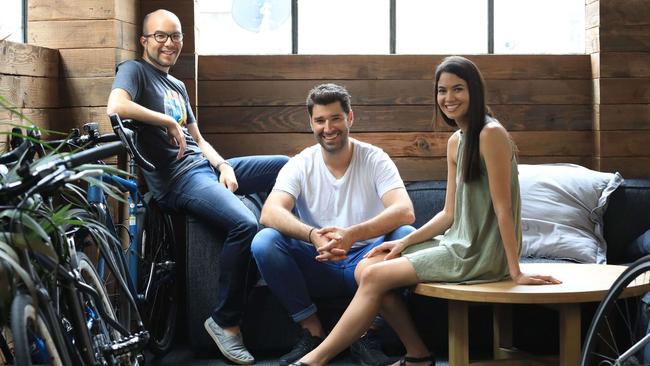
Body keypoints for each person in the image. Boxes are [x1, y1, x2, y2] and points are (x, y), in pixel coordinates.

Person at [290, 56, 563, 366]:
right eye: (442, 90)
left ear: (474, 91)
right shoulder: (456, 141)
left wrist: (515, 270)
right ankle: (418, 355)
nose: (449, 98)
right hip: (457, 241)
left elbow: (504, 208)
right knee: (369, 264)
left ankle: (315, 360)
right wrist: (404, 243)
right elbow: (448, 213)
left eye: (458, 89)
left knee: (375, 275)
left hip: (481, 251)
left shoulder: (491, 134)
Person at [106, 9, 288, 365]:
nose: (169, 43)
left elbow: (199, 139)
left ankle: (281, 233)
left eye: (175, 37)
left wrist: (222, 165)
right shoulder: (135, 71)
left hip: (204, 167)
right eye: (161, 36)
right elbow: (116, 105)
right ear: (144, 40)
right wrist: (167, 122)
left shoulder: (177, 85)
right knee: (243, 224)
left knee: (285, 165)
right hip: (178, 180)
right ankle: (224, 322)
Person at [250, 83, 417, 366]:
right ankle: (312, 331)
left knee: (407, 235)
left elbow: (405, 211)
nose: (328, 127)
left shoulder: (374, 158)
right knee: (264, 241)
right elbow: (270, 212)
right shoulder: (300, 163)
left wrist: (353, 234)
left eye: (336, 118)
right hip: (318, 260)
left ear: (350, 118)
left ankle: (367, 333)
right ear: (311, 123)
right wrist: (312, 234)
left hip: (366, 261)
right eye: (320, 120)